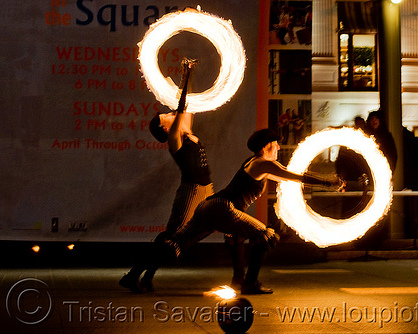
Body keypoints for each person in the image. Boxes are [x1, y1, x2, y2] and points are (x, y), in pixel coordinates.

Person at [121, 128, 342, 294]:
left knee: (176, 243)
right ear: (267, 146)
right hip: (224, 208)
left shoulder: (257, 164)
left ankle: (133, 275)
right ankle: (250, 283)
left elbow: (287, 178)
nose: (278, 148)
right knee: (267, 235)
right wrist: (328, 182)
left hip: (209, 206)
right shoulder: (263, 163)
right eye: (276, 144)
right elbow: (295, 176)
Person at [119, 58, 214, 293]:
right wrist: (186, 75)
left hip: (205, 188)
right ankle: (135, 275)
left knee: (193, 233)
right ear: (164, 128)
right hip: (191, 190)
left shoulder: (186, 131)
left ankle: (144, 276)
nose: (170, 114)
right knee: (172, 236)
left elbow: (186, 105)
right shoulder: (175, 140)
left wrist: (187, 77)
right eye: (165, 116)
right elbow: (181, 108)